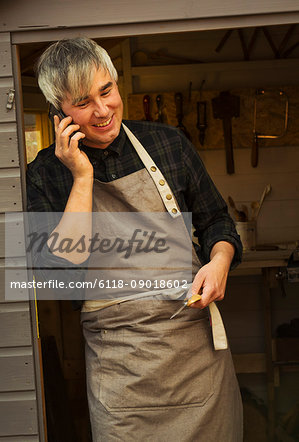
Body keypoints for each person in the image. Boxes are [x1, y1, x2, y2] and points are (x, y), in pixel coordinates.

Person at [27, 37, 243, 441]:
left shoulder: (168, 144)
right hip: (120, 372)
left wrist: (219, 262)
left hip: (194, 358)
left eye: (106, 91)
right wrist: (82, 176)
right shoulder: (45, 174)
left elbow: (218, 221)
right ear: (59, 113)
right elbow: (61, 271)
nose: (103, 110)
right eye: (83, 102)